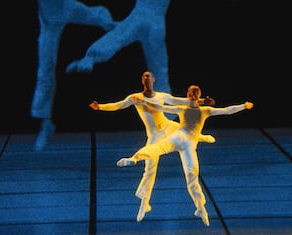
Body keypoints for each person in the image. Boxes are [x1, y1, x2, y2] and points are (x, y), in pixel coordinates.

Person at [116, 85, 254, 226]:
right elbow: (227, 110)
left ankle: (134, 158)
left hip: (178, 137)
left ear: (188, 95)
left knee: (156, 148)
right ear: (197, 95)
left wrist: (143, 102)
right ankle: (201, 208)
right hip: (189, 144)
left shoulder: (183, 109)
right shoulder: (206, 111)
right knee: (192, 177)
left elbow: (160, 108)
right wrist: (244, 106)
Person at [89, 71, 216, 222]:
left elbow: (180, 101)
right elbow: (117, 106)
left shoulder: (162, 96)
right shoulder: (135, 98)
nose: (146, 77)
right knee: (150, 169)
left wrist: (202, 101)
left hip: (168, 127)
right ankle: (145, 203)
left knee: (187, 132)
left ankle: (202, 137)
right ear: (142, 80)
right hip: (155, 135)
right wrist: (100, 107)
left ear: (154, 79)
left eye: (149, 75)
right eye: (144, 76)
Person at [31, 0, 115, 151]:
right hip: (49, 22)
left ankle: (119, 28)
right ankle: (45, 125)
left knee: (99, 18)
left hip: (66, 8)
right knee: (45, 72)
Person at [66, 0, 172, 93]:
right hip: (157, 24)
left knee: (118, 37)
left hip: (142, 18)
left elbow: (116, 38)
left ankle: (90, 58)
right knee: (159, 67)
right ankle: (166, 104)